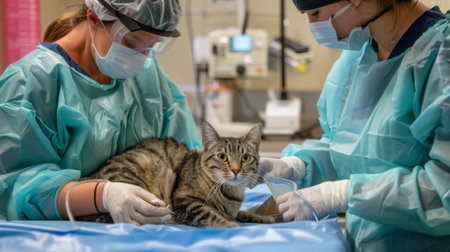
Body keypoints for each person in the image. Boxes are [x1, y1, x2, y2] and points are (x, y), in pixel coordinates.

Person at [259, 0, 450, 250]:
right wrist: (297, 167)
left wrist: (340, 194)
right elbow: (357, 151)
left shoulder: (439, 59)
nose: (313, 26)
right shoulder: (359, 55)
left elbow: (443, 191)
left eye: (315, 13)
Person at [0, 0, 202, 226]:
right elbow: (15, 187)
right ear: (94, 19)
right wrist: (102, 195)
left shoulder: (146, 74)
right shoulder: (32, 81)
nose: (141, 57)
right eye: (131, 42)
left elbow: (185, 157)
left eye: (151, 47)